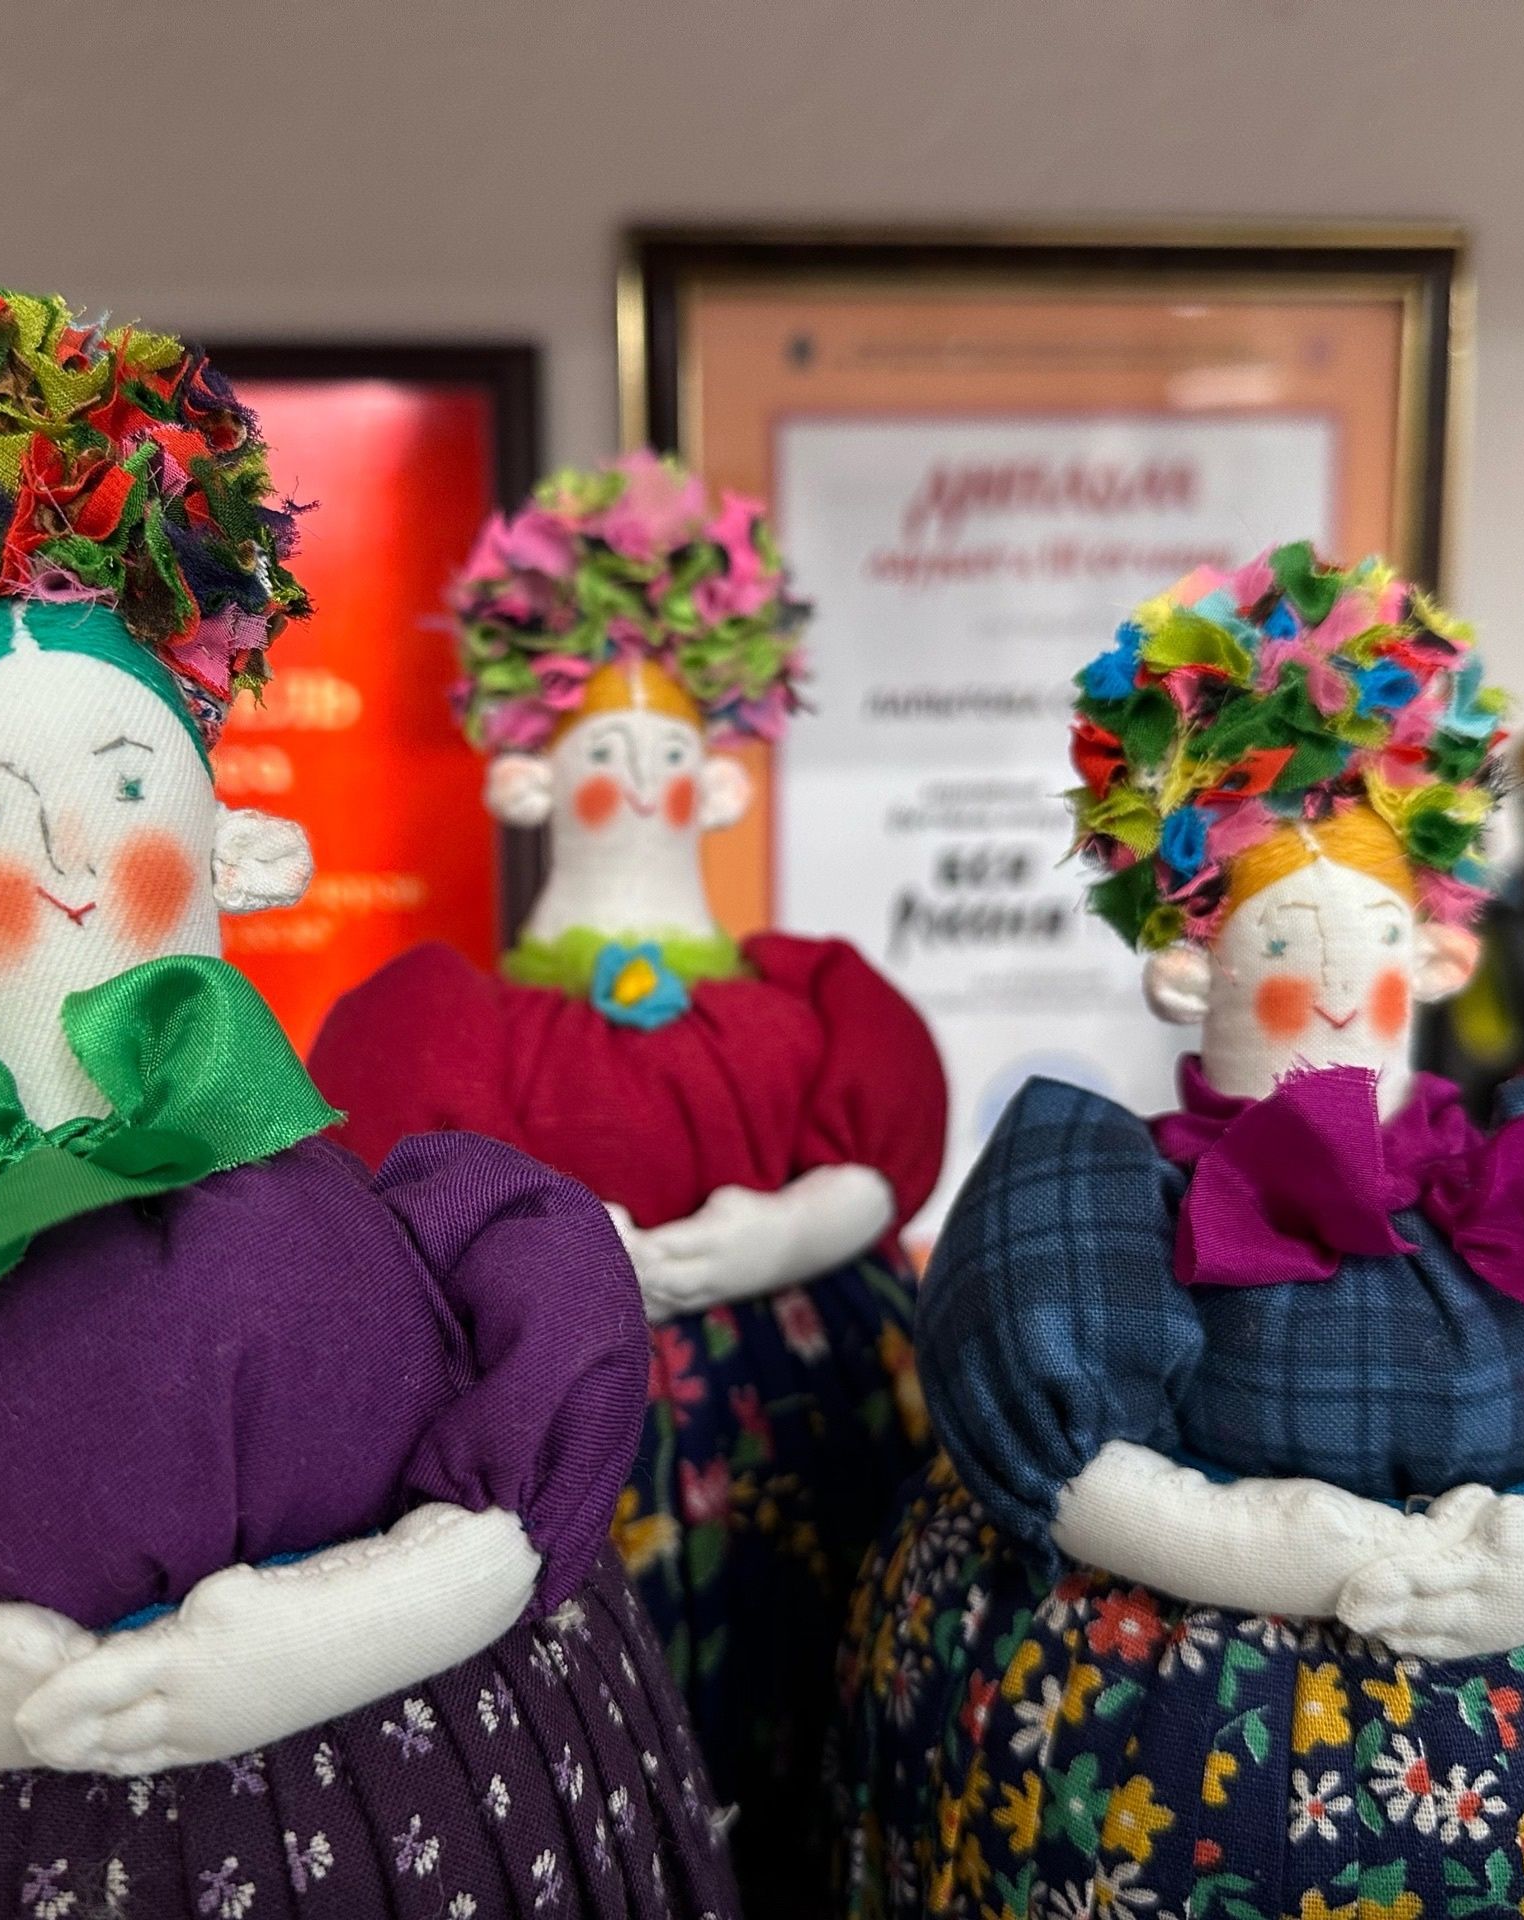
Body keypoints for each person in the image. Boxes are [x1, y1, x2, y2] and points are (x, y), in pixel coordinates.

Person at [0, 282, 741, 1919]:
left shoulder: (441, 1220)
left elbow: (553, 1381)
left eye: (123, 787)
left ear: (237, 850)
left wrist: (359, 1619)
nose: (70, 852)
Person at [833, 546, 1524, 1919]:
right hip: (1158, 1738)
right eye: (1287, 948)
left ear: (1442, 958)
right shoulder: (1099, 1199)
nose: (1342, 982)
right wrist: (1264, 1541)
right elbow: (1070, 1466)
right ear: (1191, 970)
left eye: (1376, 940)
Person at [309, 454, 947, 1894]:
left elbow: (877, 1167)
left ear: (716, 782)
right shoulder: (451, 1021)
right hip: (564, 1412)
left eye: (668, 759)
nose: (643, 785)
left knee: (815, 1668)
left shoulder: (813, 997)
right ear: (534, 775)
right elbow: (411, 1201)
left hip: (814, 1414)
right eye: (610, 755)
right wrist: (542, 1243)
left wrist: (787, 1230)